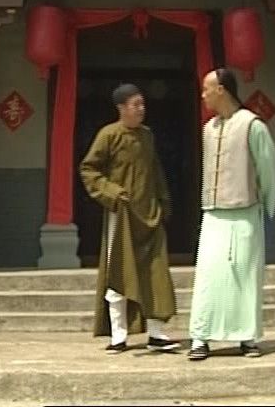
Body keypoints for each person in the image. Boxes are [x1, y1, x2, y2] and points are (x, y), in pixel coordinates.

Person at [79, 83, 180, 354]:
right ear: (121, 108)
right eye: (136, 105)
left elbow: (155, 171)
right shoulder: (108, 135)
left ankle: (157, 334)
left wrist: (163, 201)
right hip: (121, 215)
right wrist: (112, 192)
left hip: (149, 214)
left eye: (143, 104)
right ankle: (118, 335)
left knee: (155, 273)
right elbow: (89, 169)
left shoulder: (147, 136)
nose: (141, 109)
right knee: (119, 271)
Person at [187, 68, 275, 361]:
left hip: (245, 213)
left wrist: (262, 208)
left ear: (222, 89)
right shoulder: (208, 129)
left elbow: (267, 170)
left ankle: (247, 338)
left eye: (207, 89)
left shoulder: (252, 125)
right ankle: (200, 337)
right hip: (214, 214)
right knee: (208, 275)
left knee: (245, 276)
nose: (203, 95)